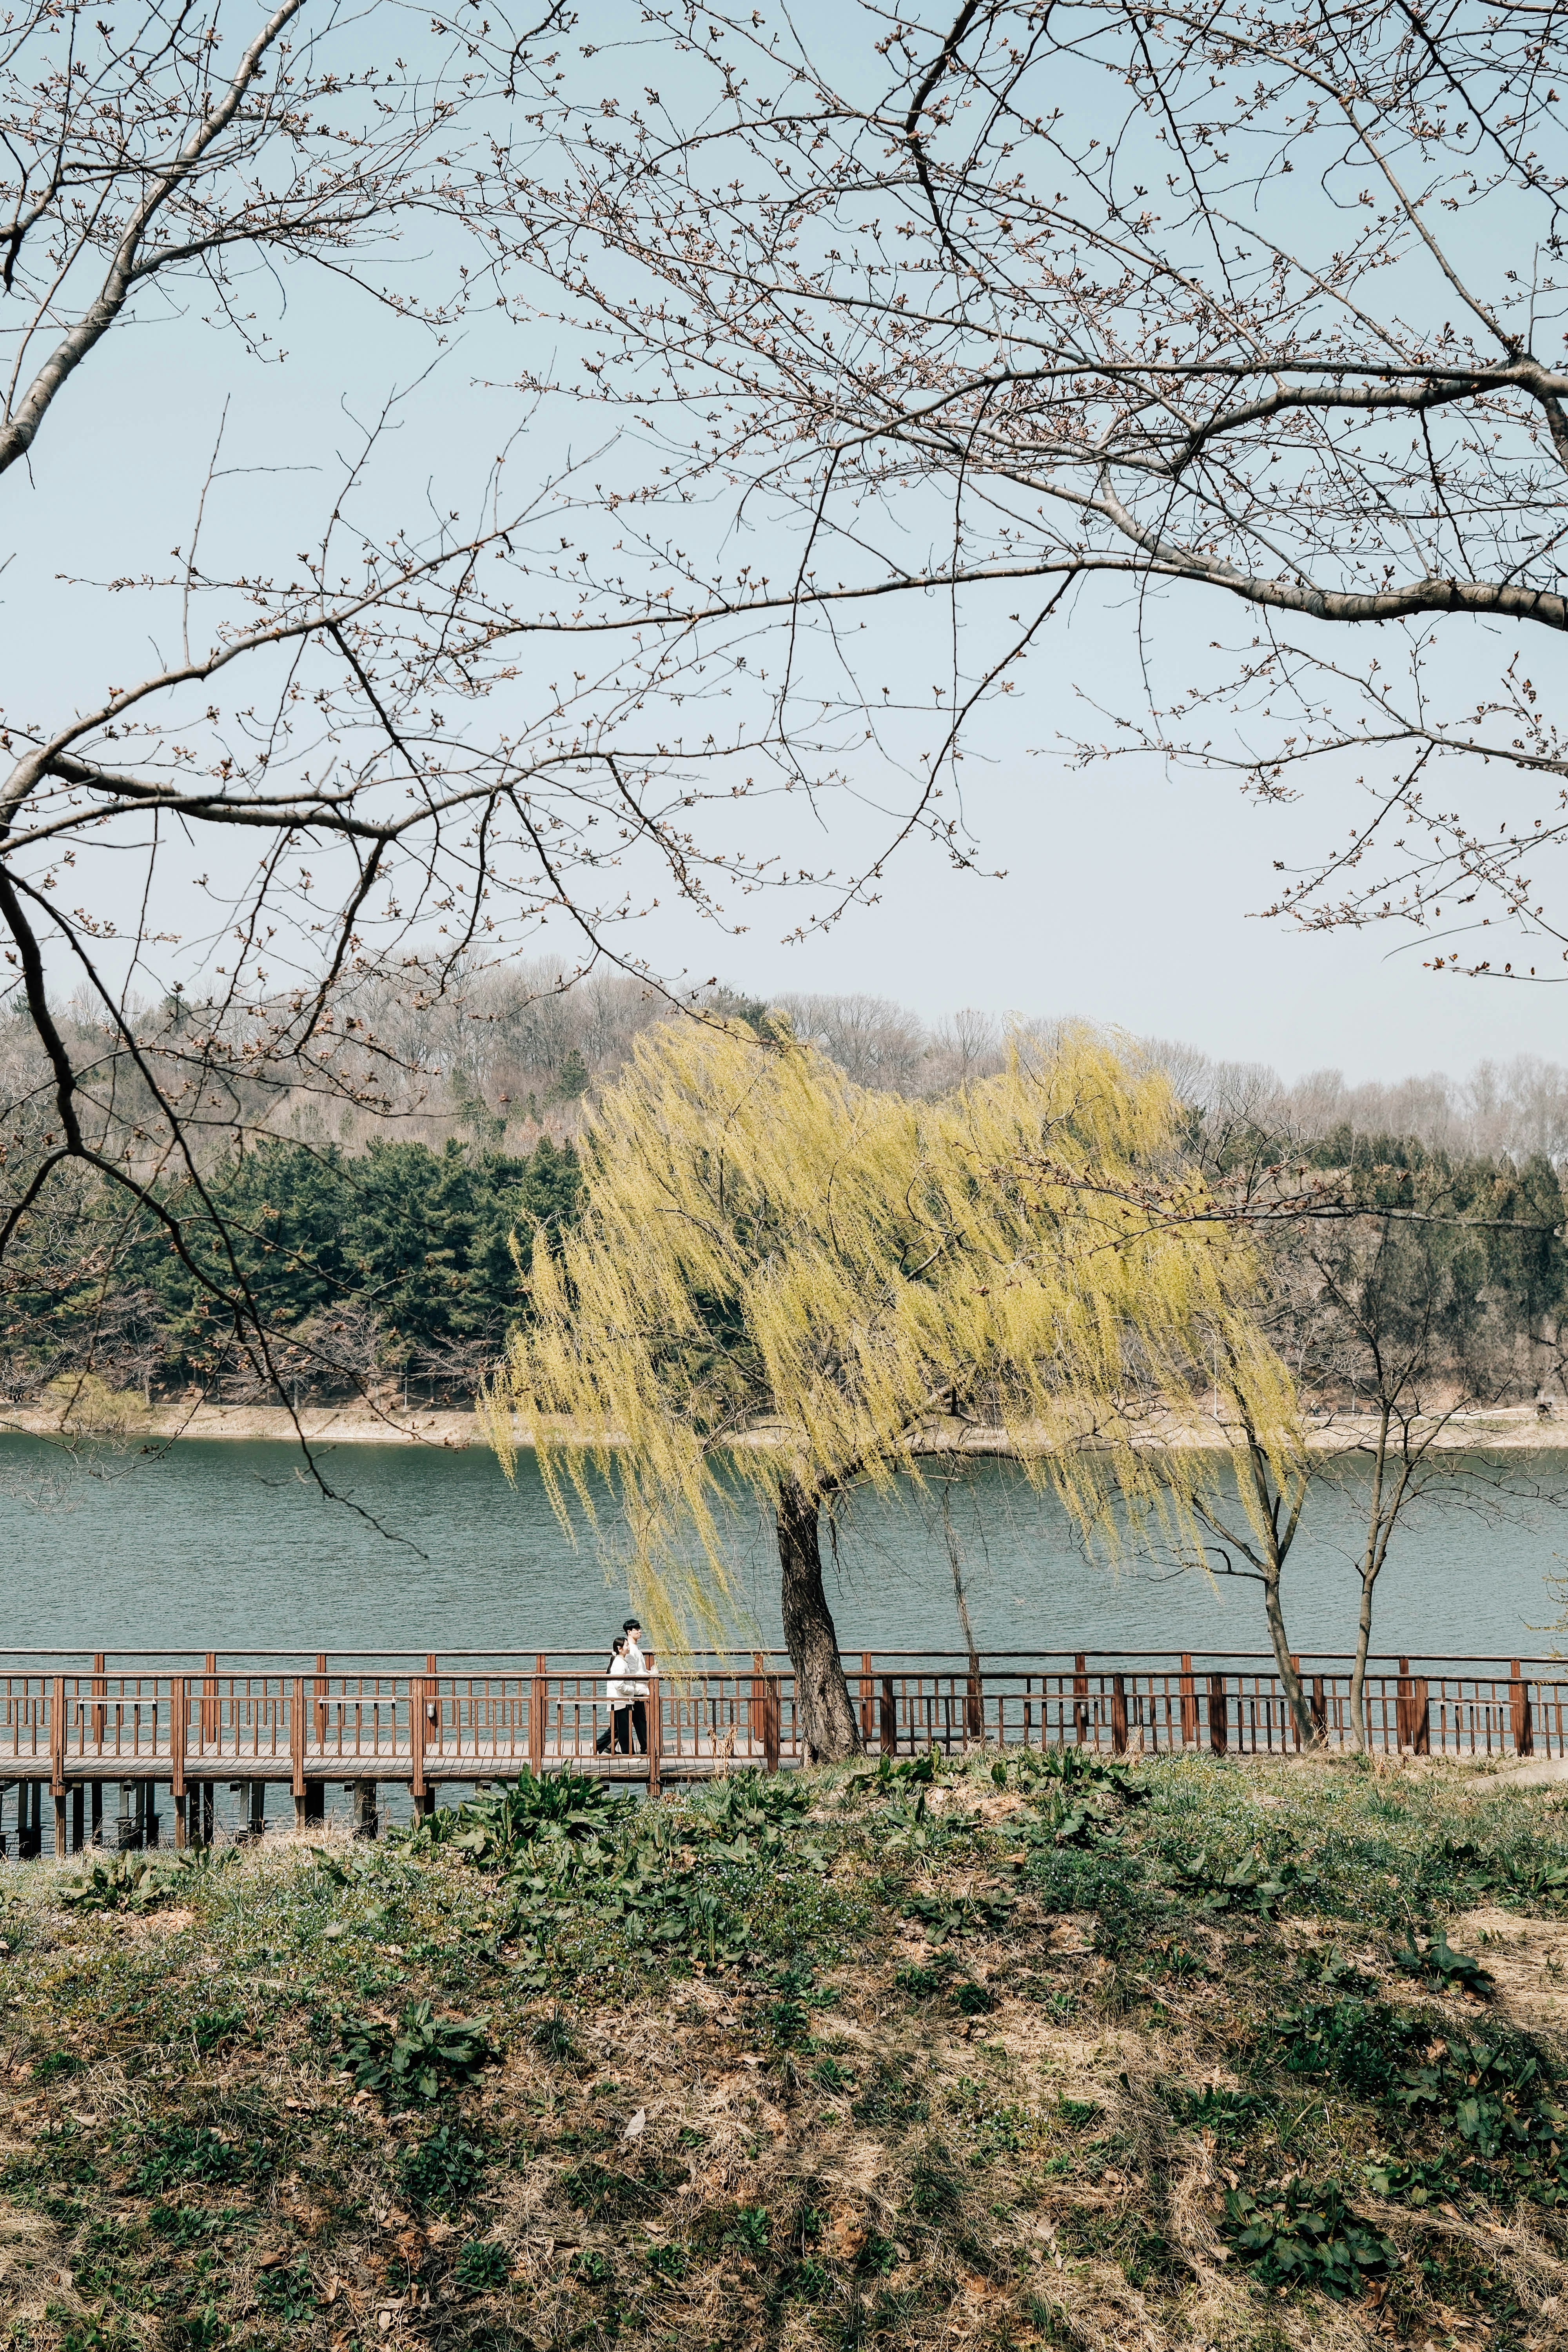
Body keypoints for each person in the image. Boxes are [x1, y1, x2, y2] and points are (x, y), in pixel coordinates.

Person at [619, 1617, 651, 1754]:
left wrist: (647, 1672)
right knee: (638, 1720)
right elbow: (632, 1672)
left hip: (637, 1688)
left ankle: (645, 1746)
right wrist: (647, 1676)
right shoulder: (631, 1650)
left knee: (637, 1720)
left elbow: (638, 1669)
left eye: (639, 1629)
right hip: (635, 1689)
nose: (640, 1631)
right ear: (629, 1632)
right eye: (636, 1629)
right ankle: (645, 1747)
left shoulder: (635, 1648)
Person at [595, 1635, 628, 1755]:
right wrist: (632, 1690)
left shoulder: (619, 1661)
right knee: (622, 1728)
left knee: (617, 1728)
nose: (628, 1647)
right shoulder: (619, 1663)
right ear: (620, 1649)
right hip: (619, 1699)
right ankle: (628, 1753)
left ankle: (600, 1745)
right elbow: (619, 1685)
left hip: (618, 1700)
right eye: (627, 1645)